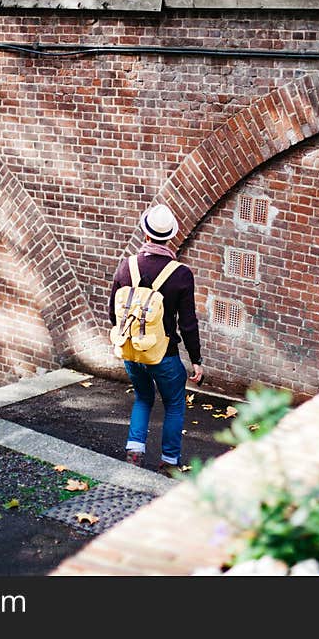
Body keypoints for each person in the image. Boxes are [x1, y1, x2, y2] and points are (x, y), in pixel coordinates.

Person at [109, 204, 204, 477]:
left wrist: (128, 338)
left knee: (143, 398)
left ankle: (135, 451)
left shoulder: (126, 267)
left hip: (132, 351)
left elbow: (112, 313)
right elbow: (187, 323)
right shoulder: (181, 273)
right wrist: (196, 360)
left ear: (145, 233)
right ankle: (169, 462)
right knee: (174, 404)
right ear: (169, 236)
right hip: (164, 354)